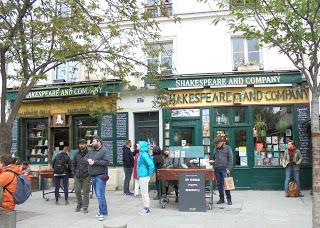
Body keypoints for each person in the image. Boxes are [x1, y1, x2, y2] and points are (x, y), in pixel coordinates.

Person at [86, 136, 109, 221]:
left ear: (99, 142)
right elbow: (85, 158)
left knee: (100, 195)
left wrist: (94, 162)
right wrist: (88, 160)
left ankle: (102, 213)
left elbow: (106, 162)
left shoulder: (104, 150)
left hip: (101, 175)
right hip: (93, 175)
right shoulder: (92, 150)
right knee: (99, 195)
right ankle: (103, 211)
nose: (92, 143)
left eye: (94, 141)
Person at [209, 137, 233, 205]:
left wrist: (228, 168)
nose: (216, 146)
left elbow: (231, 159)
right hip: (217, 169)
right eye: (215, 145)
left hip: (225, 169)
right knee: (219, 185)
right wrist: (212, 161)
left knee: (226, 184)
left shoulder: (227, 148)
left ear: (221, 142)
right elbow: (213, 158)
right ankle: (221, 199)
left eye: (216, 144)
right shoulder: (215, 149)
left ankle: (229, 199)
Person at [137, 141, 155, 215]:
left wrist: (149, 173)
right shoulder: (142, 153)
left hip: (144, 176)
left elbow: (151, 165)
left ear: (142, 146)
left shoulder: (144, 154)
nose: (137, 145)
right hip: (143, 175)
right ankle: (145, 208)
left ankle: (146, 209)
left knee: (144, 193)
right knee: (144, 192)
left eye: (138, 144)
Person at [73, 139, 90, 213]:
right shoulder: (76, 154)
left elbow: (92, 164)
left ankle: (85, 206)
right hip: (77, 175)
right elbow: (73, 164)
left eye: (83, 144)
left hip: (86, 175)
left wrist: (89, 172)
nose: (81, 145)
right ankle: (79, 204)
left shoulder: (89, 153)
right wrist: (74, 173)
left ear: (86, 145)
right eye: (80, 144)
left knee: (86, 191)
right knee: (77, 190)